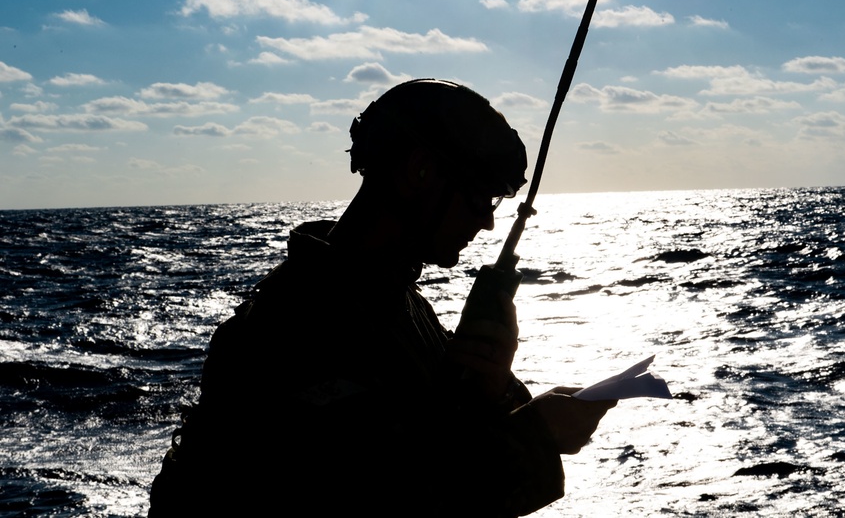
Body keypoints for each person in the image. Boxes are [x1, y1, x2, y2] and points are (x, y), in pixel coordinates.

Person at [148, 79, 616, 517]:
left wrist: (493, 389)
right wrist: (537, 435)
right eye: (479, 197)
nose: (489, 223)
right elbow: (395, 498)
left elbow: (436, 432)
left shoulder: (395, 304)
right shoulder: (295, 326)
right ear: (419, 171)